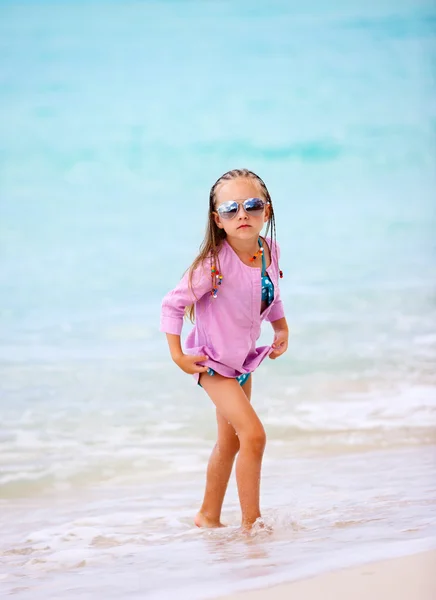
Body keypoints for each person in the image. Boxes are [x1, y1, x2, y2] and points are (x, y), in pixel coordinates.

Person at [160, 168, 289, 531]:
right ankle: (253, 526)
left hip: (243, 361)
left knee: (230, 443)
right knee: (254, 434)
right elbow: (171, 305)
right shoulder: (213, 265)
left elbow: (271, 293)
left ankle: (208, 516)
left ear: (268, 210)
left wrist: (281, 327)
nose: (242, 215)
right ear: (218, 220)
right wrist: (178, 355)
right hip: (213, 363)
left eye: (251, 205)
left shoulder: (268, 251)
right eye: (231, 209)